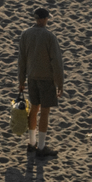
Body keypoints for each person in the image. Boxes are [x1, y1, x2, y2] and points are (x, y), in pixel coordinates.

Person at [18, 8, 65, 157]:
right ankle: (42, 146)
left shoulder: (25, 34)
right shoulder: (49, 37)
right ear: (45, 19)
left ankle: (31, 142)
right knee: (45, 112)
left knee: (34, 109)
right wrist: (60, 83)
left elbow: (22, 60)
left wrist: (21, 80)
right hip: (46, 80)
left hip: (31, 78)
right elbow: (56, 62)